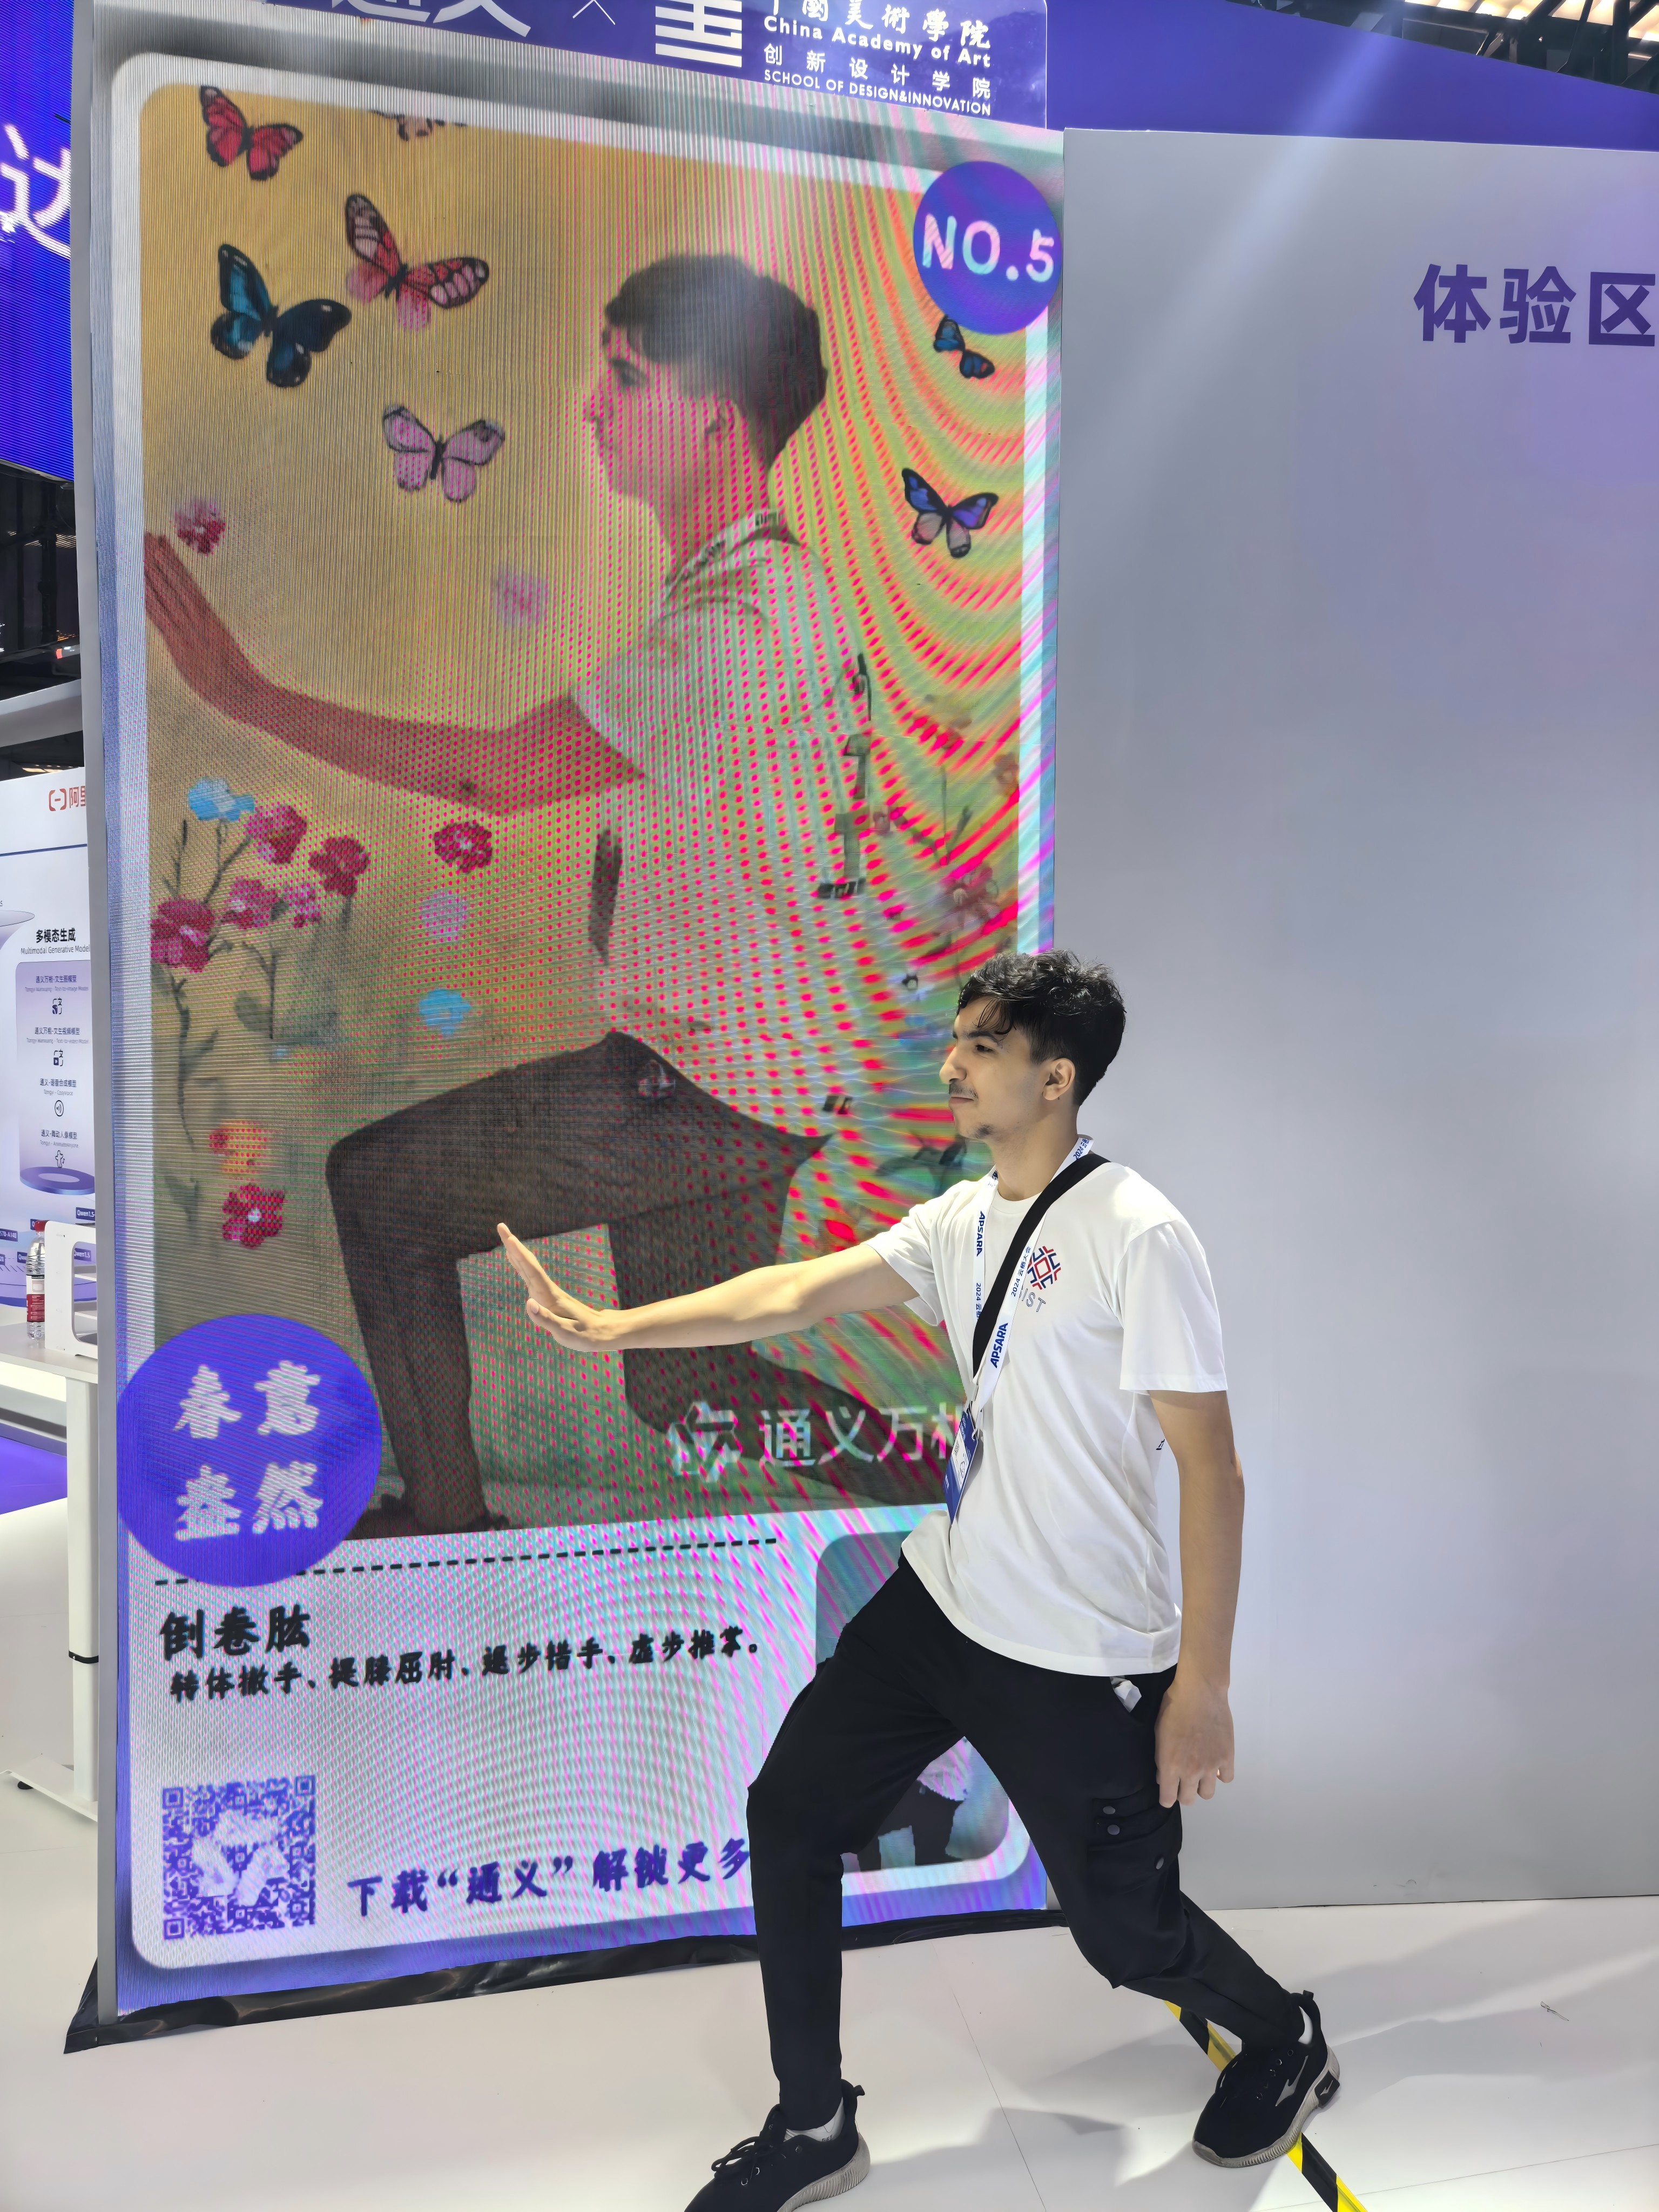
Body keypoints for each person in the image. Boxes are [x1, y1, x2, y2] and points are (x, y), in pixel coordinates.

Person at [498, 948, 1340, 2202]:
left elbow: (1212, 1472)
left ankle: (1283, 2033)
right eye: (958, 1039)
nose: (952, 1064)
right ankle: (813, 2121)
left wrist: (1203, 1684)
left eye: (984, 1046)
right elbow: (793, 1292)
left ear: (1055, 1078)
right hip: (942, 1605)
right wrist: (617, 1324)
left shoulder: (1139, 1233)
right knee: (790, 1813)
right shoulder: (960, 1216)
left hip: (1078, 1648)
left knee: (1125, 1935)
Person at [144, 253, 934, 1535]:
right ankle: (966, 1482)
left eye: (627, 376)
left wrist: (246, 696)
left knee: (383, 1190)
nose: (592, 404)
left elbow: (497, 775)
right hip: (766, 1075)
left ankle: (445, 1516)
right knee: (688, 1388)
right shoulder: (757, 587)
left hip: (707, 1082)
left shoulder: (741, 623)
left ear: (717, 421)